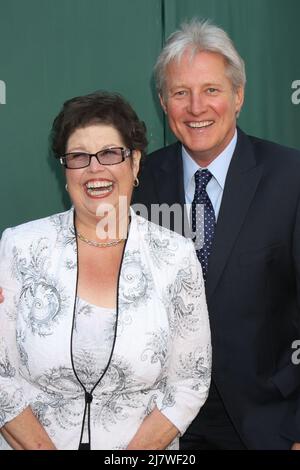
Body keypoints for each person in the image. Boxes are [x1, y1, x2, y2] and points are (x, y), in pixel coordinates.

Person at [0, 91, 211, 450]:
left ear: (135, 163)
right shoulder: (19, 248)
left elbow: (190, 380)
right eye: (79, 156)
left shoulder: (176, 256)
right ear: (64, 170)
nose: (94, 168)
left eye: (111, 153)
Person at [133, 19, 300, 450]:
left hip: (268, 421)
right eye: (180, 93)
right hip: (161, 423)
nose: (196, 107)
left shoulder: (290, 177)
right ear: (163, 103)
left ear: (238, 96)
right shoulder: (139, 181)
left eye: (211, 90)